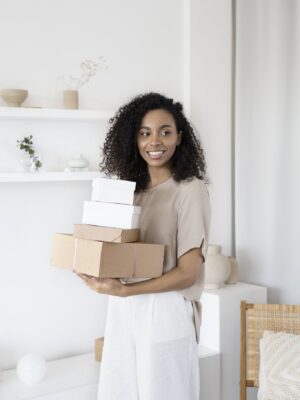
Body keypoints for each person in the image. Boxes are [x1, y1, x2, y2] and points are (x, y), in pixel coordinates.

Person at [78, 92, 211, 400]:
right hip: (123, 309)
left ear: (179, 137)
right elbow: (118, 254)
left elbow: (189, 273)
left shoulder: (190, 190)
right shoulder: (131, 192)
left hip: (164, 307)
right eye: (145, 133)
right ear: (133, 140)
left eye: (165, 132)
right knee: (118, 391)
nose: (155, 141)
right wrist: (95, 273)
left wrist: (125, 290)